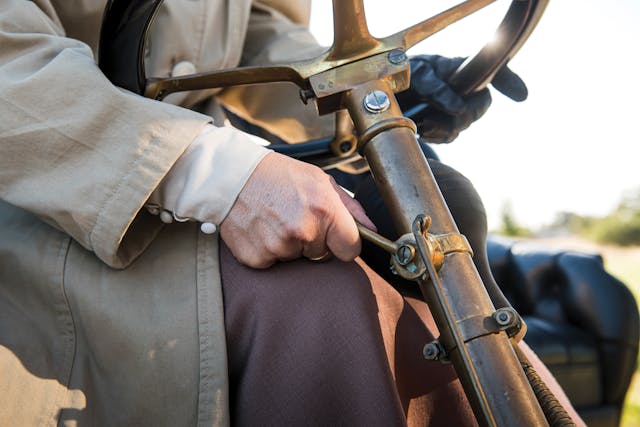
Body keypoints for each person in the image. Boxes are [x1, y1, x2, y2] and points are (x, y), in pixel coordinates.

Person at [0, 0, 583, 425]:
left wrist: (378, 82)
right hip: (42, 193)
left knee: (452, 250)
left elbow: (256, 34)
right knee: (326, 301)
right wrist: (214, 176)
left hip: (170, 182)